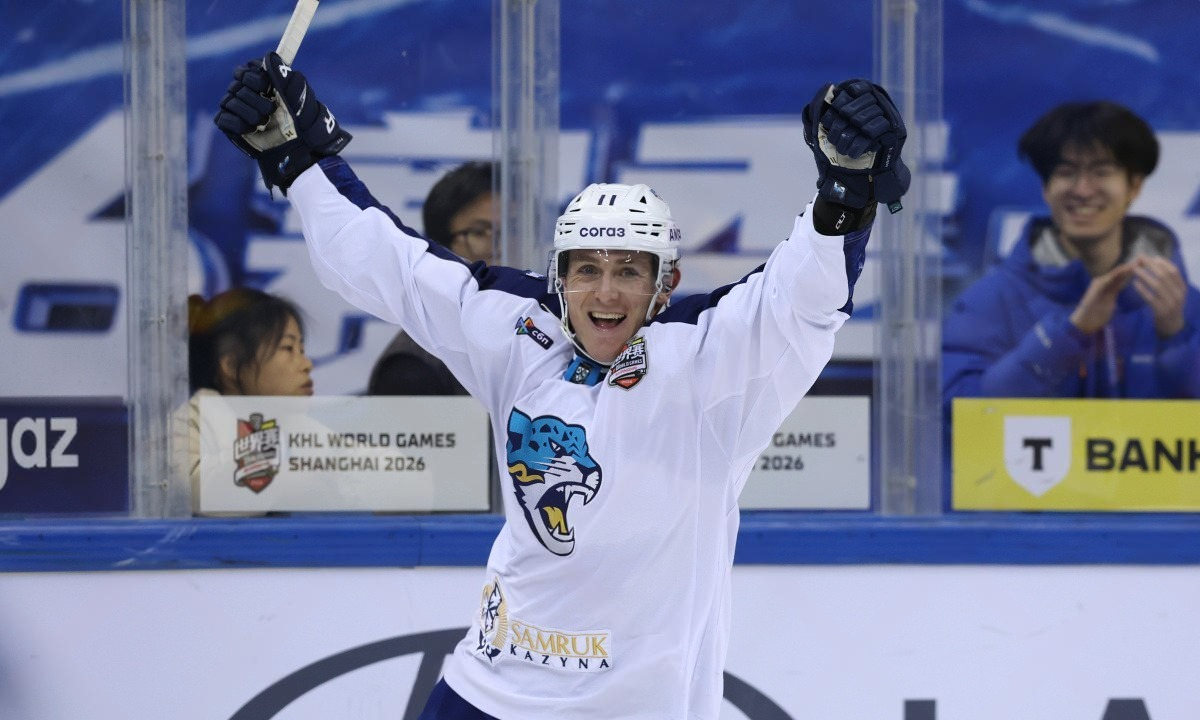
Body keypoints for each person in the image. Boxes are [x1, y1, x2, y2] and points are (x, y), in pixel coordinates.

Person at [215, 53, 909, 719]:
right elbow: (389, 263)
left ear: (665, 283)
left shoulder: (711, 360)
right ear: (559, 277)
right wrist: (298, 158)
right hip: (489, 691)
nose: (605, 293)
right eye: (587, 270)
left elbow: (801, 299)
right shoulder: (518, 333)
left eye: (629, 271)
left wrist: (843, 192)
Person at [943, 101, 1200, 403]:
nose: (1083, 190)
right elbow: (959, 409)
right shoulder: (990, 301)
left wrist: (1175, 336)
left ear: (1134, 186)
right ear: (1046, 188)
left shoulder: (1182, 303)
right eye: (1066, 172)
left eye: (1102, 172)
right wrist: (1067, 335)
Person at [367, 161, 497, 395]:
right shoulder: (412, 367)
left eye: (513, 229)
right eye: (480, 232)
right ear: (440, 247)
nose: (501, 246)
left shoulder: (528, 337)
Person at [182, 288, 314, 507]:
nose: (307, 365)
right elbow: (198, 491)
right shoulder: (189, 424)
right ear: (232, 366)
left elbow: (357, 466)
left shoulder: (300, 426)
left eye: (301, 350)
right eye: (288, 348)